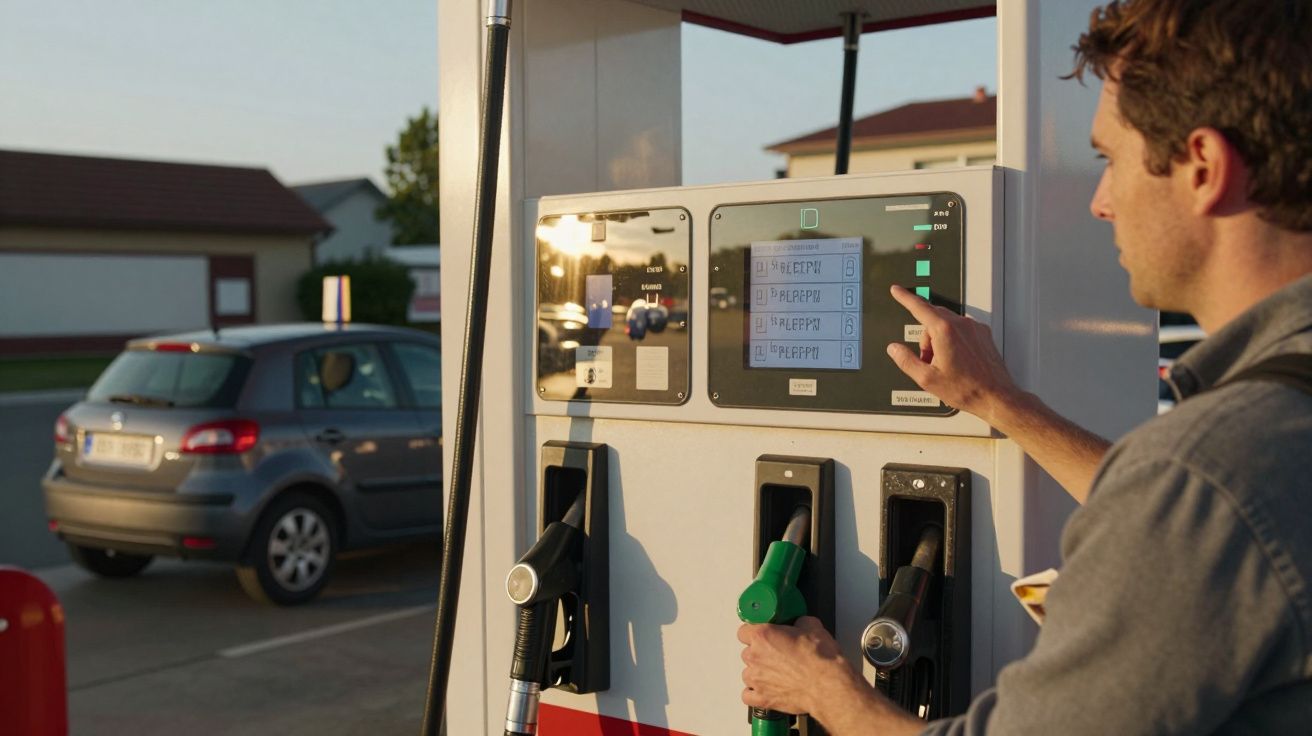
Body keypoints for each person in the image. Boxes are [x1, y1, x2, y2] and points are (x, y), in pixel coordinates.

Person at [739, 1, 1312, 733]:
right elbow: (1198, 515)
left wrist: (821, 691)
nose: (1100, 203)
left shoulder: (1205, 475)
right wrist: (998, 401)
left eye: (1109, 160)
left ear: (1203, 167)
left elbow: (1194, 502)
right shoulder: (1245, 457)